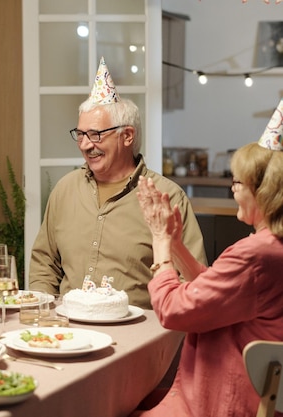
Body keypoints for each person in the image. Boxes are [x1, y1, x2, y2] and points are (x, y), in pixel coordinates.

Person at [131, 98, 283, 417]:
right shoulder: (271, 247)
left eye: (237, 182)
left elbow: (173, 311)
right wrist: (175, 243)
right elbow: (215, 290)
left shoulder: (256, 254)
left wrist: (159, 243)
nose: (232, 189)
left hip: (224, 400)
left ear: (263, 191)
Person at [29, 57, 207, 309]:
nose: (85, 145)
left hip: (139, 335)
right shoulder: (65, 189)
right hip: (66, 335)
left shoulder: (167, 197)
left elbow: (190, 282)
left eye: (96, 135)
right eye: (80, 135)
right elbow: (44, 262)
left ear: (127, 136)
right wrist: (43, 313)